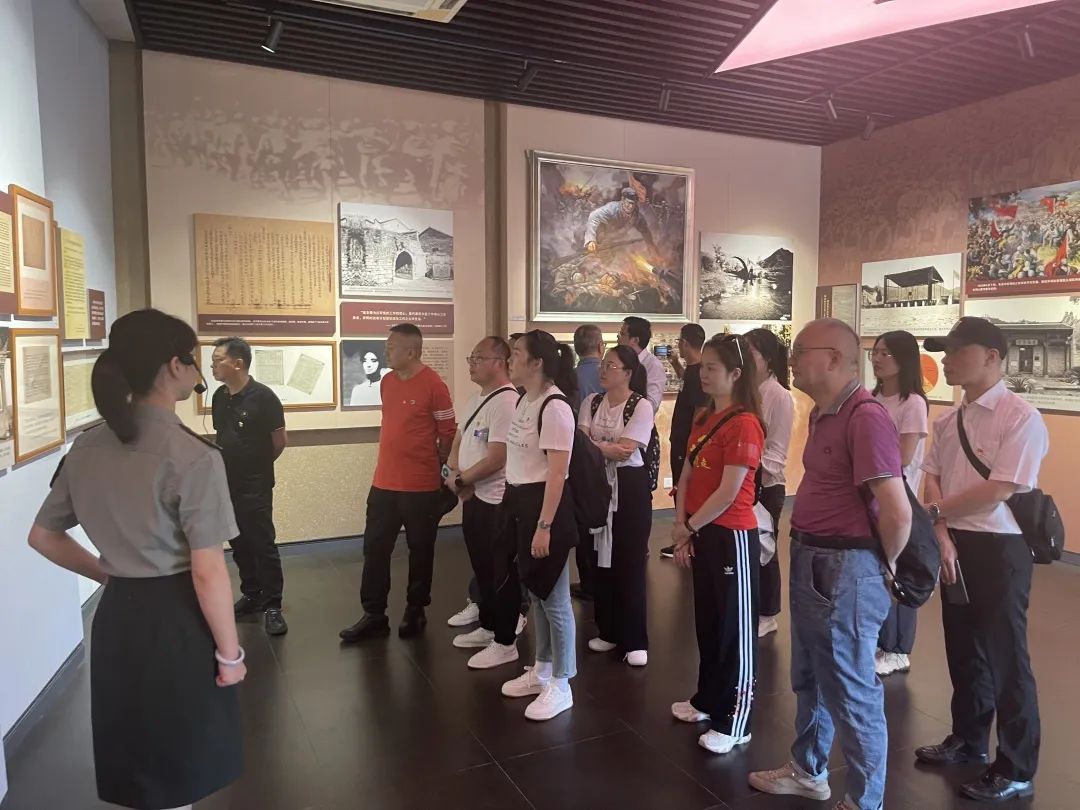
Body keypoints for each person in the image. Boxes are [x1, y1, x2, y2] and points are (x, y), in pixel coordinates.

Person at [28, 309, 245, 810]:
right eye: (193, 359)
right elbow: (208, 571)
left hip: (117, 617)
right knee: (178, 759)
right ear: (174, 366)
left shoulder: (87, 447)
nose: (197, 370)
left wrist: (107, 573)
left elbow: (43, 536)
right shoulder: (194, 457)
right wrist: (231, 655)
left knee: (139, 759)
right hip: (176, 620)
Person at [749, 318, 912, 810]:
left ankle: (865, 800)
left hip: (846, 567)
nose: (792, 360)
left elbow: (897, 510)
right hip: (814, 559)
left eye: (800, 351)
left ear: (835, 358)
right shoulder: (825, 412)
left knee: (851, 687)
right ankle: (808, 770)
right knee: (811, 676)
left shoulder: (865, 416)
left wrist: (884, 567)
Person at [915, 317, 1048, 803]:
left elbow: (1000, 489)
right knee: (963, 648)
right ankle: (968, 738)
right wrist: (941, 532)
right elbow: (932, 475)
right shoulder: (949, 420)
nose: (946, 360)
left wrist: (935, 514)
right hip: (955, 542)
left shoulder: (1020, 417)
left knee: (1006, 657)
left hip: (1000, 548)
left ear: (992, 356)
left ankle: (1016, 765)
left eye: (956, 351)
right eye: (945, 350)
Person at [668, 334, 764, 755]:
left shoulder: (745, 424)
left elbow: (728, 493)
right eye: (702, 366)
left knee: (735, 631)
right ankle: (707, 699)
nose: (703, 374)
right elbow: (687, 473)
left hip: (731, 536)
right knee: (708, 623)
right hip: (701, 529)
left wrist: (687, 528)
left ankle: (736, 721)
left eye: (712, 368)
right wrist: (681, 524)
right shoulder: (705, 416)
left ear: (735, 374)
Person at [340, 323, 457, 642]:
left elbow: (447, 431)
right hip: (384, 483)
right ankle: (374, 613)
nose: (386, 351)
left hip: (420, 486)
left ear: (411, 351)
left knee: (421, 550)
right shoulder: (387, 382)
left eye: (391, 347)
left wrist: (436, 462)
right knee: (375, 549)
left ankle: (415, 609)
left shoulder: (434, 384)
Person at [498, 330, 579, 721]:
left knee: (556, 600)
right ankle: (542, 669)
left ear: (537, 362)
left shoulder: (555, 407)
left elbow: (557, 474)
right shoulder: (524, 400)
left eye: (516, 354)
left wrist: (544, 525)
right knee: (536, 593)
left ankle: (563, 683)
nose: (510, 360)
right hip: (522, 505)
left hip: (546, 509)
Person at [444, 337, 522, 669]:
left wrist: (462, 480)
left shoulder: (506, 402)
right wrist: (453, 473)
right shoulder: (477, 398)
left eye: (478, 358)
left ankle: (505, 640)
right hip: (473, 496)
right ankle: (489, 626)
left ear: (499, 363)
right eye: (471, 357)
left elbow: (497, 458)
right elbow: (459, 438)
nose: (471, 363)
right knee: (481, 567)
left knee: (500, 572)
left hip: (496, 501)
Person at [578, 344, 654, 667]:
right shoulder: (591, 402)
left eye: (611, 366)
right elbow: (580, 444)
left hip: (630, 488)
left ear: (628, 372)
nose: (603, 370)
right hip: (597, 486)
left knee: (629, 561)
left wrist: (595, 447)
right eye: (603, 364)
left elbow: (626, 450)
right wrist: (602, 448)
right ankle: (607, 629)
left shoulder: (641, 406)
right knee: (599, 560)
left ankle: (634, 638)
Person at [211, 336, 289, 637]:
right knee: (239, 542)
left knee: (262, 543)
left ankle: (273, 605)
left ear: (238, 363)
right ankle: (252, 593)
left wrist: (256, 468)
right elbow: (222, 436)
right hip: (226, 483)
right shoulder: (219, 397)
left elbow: (279, 442)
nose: (212, 366)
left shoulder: (264, 397)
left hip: (255, 485)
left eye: (218, 360)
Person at [869, 330, 928, 677]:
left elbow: (904, 456)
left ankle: (898, 649)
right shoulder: (872, 398)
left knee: (899, 573)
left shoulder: (912, 403)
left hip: (900, 496)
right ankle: (880, 640)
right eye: (875, 352)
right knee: (878, 569)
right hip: (873, 494)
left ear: (903, 359)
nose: (877, 359)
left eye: (885, 353)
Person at [744, 328, 794, 638]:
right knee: (746, 549)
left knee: (765, 548)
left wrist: (748, 473)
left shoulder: (779, 396)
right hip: (743, 482)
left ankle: (767, 613)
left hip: (765, 484)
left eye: (750, 352)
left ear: (768, 358)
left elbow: (776, 452)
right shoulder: (744, 389)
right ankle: (749, 605)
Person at [660, 322, 707, 559]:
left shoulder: (699, 373)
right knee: (681, 488)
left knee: (684, 489)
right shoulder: (691, 371)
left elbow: (700, 411)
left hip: (686, 445)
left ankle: (686, 540)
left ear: (685, 343)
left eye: (680, 341)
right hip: (680, 441)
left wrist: (692, 445)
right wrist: (675, 364)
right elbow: (687, 388)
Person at [570, 323, 605, 600]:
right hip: (607, 458)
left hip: (579, 458)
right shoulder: (608, 374)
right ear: (601, 346)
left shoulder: (570, 378)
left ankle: (589, 580)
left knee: (584, 520)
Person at [619, 316, 665, 412]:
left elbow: (652, 404)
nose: (618, 337)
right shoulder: (620, 360)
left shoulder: (653, 365)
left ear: (635, 340)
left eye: (622, 334)